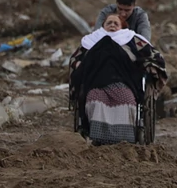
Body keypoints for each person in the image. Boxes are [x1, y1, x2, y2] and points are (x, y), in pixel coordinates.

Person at [70, 13, 166, 145]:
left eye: (116, 23)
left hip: (123, 82)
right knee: (94, 99)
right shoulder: (90, 41)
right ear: (103, 26)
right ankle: (97, 138)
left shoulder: (131, 39)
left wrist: (150, 68)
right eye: (109, 23)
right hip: (95, 83)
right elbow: (75, 60)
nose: (112, 25)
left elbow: (155, 57)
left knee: (126, 100)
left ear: (122, 27)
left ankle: (124, 140)